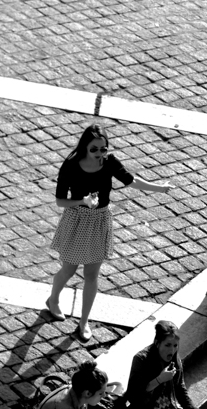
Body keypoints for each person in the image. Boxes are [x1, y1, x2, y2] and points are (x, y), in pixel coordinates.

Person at [45, 124, 173, 343]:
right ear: (85, 146)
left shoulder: (109, 162)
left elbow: (131, 181)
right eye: (94, 149)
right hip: (77, 219)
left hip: (100, 220)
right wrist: (82, 201)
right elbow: (59, 200)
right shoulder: (71, 165)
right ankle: (53, 299)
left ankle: (83, 322)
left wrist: (159, 187)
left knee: (92, 275)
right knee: (69, 268)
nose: (99, 154)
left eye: (103, 149)